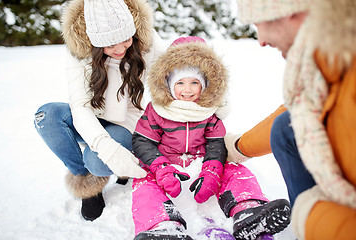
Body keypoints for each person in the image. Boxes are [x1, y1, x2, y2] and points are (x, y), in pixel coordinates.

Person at [131, 36, 291, 240]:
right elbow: (142, 140)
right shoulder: (157, 110)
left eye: (194, 83)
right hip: (168, 169)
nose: (187, 90)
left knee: (234, 169)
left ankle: (247, 208)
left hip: (201, 165)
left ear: (205, 85)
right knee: (143, 181)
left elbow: (216, 143)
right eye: (180, 82)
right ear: (169, 83)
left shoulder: (209, 111)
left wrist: (212, 171)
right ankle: (161, 225)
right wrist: (161, 168)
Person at [225, 0, 356, 239]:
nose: (261, 40)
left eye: (258, 24)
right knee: (285, 127)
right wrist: (239, 147)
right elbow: (296, 114)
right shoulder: (327, 62)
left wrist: (312, 215)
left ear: (290, 12)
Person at [34, 0, 167, 221]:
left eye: (126, 39)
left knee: (95, 160)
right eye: (110, 44)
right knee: (46, 116)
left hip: (127, 121)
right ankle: (86, 181)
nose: (120, 49)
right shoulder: (80, 50)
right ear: (95, 42)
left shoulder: (146, 39)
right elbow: (80, 106)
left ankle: (110, 162)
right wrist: (107, 148)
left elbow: (175, 72)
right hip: (92, 115)